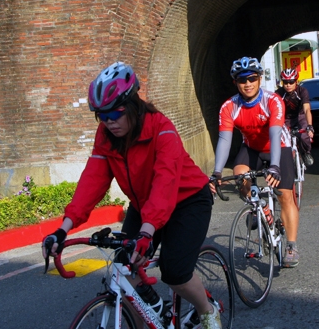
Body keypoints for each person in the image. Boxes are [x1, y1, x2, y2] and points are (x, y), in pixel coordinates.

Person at [42, 62, 222, 329]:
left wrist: (146, 234)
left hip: (187, 200)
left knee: (174, 272)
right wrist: (63, 229)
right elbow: (92, 181)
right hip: (144, 204)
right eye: (102, 116)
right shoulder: (106, 135)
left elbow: (165, 181)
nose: (109, 122)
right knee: (125, 268)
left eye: (115, 113)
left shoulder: (162, 129)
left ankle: (207, 310)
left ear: (133, 105)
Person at [211, 56, 301, 268]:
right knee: (240, 176)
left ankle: (291, 244)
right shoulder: (229, 107)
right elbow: (225, 139)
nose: (248, 83)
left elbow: (275, 132)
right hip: (251, 147)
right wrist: (216, 173)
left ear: (260, 78)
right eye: (242, 80)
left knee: (285, 194)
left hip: (279, 145)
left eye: (252, 78)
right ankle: (261, 209)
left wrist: (275, 166)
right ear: (236, 83)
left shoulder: (272, 101)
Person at [275, 67, 315, 166]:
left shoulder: (302, 91)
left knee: (304, 136)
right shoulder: (278, 93)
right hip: (286, 118)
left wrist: (309, 126)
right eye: (285, 82)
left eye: (291, 82)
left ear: (296, 81)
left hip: (300, 116)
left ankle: (306, 153)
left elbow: (307, 109)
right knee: (281, 140)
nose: (288, 85)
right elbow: (275, 111)